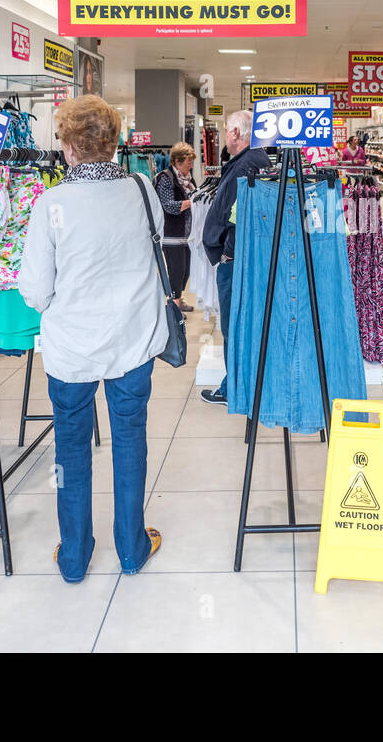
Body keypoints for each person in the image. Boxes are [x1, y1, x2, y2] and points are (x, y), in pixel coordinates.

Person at [18, 94, 167, 584]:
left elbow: (36, 290)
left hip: (72, 349)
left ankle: (75, 556)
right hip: (133, 340)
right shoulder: (143, 190)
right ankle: (131, 547)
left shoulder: (52, 202)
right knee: (130, 441)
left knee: (72, 450)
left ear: (69, 148)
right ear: (113, 142)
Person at [200, 108, 269, 405]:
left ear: (237, 133)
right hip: (243, 259)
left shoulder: (245, 166)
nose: (225, 136)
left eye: (227, 130)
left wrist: (226, 253)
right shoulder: (252, 160)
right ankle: (240, 384)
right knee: (243, 325)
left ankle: (235, 390)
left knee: (234, 326)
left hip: (237, 262)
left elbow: (237, 217)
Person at [155, 141, 197, 312]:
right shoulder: (165, 179)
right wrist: (192, 202)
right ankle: (173, 305)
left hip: (186, 233)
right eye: (188, 162)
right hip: (171, 233)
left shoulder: (188, 178)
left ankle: (178, 298)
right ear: (177, 162)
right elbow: (169, 206)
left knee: (185, 270)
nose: (191, 165)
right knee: (176, 269)